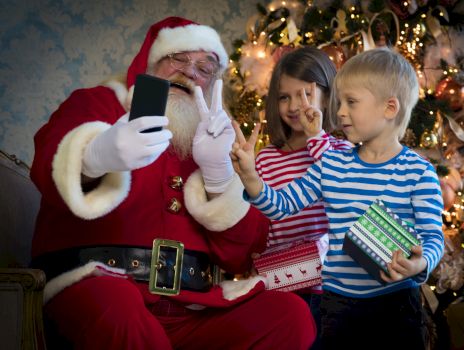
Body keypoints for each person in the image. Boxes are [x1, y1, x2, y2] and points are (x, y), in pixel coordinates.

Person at [30, 16, 315, 349]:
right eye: (178, 59)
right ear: (149, 63)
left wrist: (220, 177)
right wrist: (95, 155)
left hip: (195, 310)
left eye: (205, 68)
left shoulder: (215, 137)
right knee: (119, 312)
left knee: (289, 316)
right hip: (101, 290)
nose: (190, 72)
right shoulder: (98, 103)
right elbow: (45, 168)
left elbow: (241, 258)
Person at [231, 48, 444, 350]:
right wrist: (251, 178)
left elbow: (433, 237)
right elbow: (280, 207)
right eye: (339, 102)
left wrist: (420, 262)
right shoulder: (332, 164)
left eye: (351, 103)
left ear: (390, 107)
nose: (340, 112)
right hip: (338, 305)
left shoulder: (419, 172)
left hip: (396, 303)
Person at [247, 46, 351, 349]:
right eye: (284, 97)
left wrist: (317, 139)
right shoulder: (266, 158)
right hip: (286, 283)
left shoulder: (342, 150)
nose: (295, 106)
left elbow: (341, 191)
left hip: (334, 289)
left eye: (306, 94)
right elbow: (262, 219)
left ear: (328, 96)